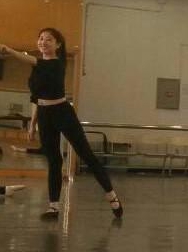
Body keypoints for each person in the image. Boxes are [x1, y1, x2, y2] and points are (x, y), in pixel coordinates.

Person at [1, 29, 123, 218]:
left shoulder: (57, 63)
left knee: (87, 155)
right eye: (41, 38)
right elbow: (36, 98)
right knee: (54, 160)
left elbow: (33, 60)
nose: (43, 42)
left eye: (48, 39)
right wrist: (33, 123)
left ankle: (111, 195)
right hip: (44, 115)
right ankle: (54, 206)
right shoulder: (37, 67)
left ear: (57, 44)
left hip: (63, 113)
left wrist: (10, 50)